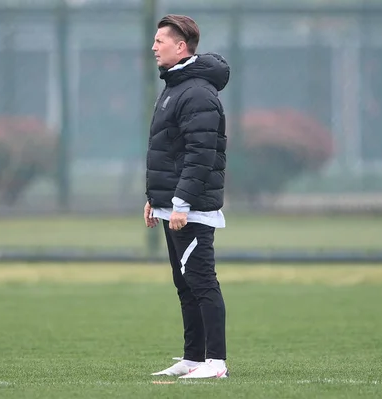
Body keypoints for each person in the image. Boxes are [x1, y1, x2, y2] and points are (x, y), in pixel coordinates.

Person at [144, 14, 230, 379]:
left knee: (202, 281)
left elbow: (200, 153)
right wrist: (156, 199)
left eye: (160, 40)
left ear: (181, 47)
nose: (153, 47)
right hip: (173, 206)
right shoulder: (176, 87)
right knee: (184, 284)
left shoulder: (196, 92)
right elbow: (170, 151)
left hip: (190, 209)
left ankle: (216, 363)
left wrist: (181, 203)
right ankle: (193, 358)